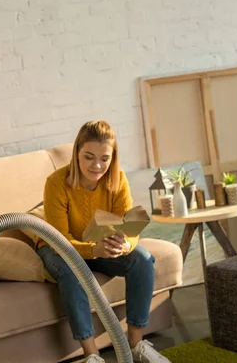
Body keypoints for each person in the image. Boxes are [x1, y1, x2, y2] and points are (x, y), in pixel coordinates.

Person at [36, 121, 170, 363]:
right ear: (77, 153)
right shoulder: (56, 182)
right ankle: (92, 355)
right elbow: (58, 239)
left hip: (100, 246)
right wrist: (92, 249)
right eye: (89, 157)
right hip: (59, 249)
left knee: (142, 258)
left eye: (104, 158)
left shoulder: (117, 179)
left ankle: (136, 343)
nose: (97, 165)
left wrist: (125, 245)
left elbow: (129, 225)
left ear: (113, 157)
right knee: (73, 270)